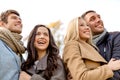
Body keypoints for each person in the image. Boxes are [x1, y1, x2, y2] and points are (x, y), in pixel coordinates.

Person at [81, 10, 120, 80]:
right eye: (92, 19)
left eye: (99, 17)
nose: (98, 20)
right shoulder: (82, 48)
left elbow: (117, 69)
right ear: (85, 26)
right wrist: (108, 67)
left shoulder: (116, 37)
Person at [0, 9, 26, 80]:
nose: (19, 21)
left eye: (20, 19)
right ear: (2, 24)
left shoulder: (19, 51)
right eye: (14, 18)